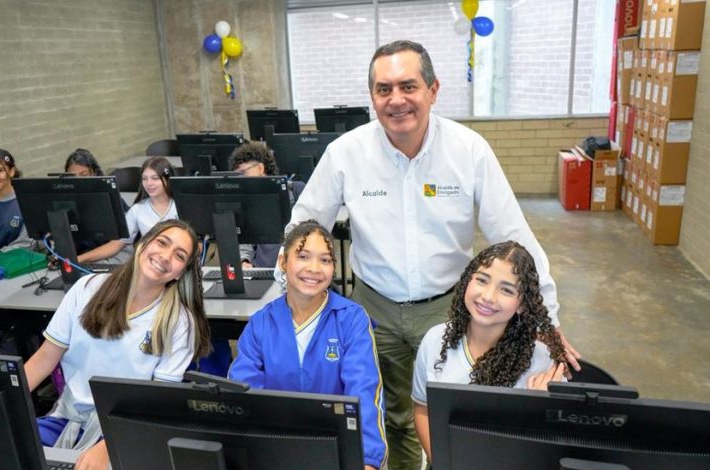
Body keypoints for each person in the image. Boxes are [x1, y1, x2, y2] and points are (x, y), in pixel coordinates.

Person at [285, 39, 580, 469]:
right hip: (375, 309)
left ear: (433, 90)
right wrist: (284, 299)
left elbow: (517, 238)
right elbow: (303, 224)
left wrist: (547, 321)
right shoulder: (346, 153)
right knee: (392, 416)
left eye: (409, 85)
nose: (396, 99)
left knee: (456, 413)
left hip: (450, 307)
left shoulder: (468, 150)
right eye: (384, 89)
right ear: (372, 97)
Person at [24, 219, 211, 469]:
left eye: (179, 255)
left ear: (180, 272)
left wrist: (107, 446)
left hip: (127, 427)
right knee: (9, 448)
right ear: (143, 244)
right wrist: (5, 406)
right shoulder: (87, 289)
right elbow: (44, 359)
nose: (165, 256)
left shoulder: (178, 322)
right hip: (69, 418)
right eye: (162, 243)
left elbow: (157, 402)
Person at [229, 220, 387, 470]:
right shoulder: (261, 323)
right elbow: (245, 398)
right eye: (303, 256)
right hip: (276, 450)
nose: (314, 268)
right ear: (283, 262)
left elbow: (365, 392)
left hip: (339, 451)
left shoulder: (351, 319)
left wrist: (367, 461)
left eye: (325, 260)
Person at [412, 241, 567, 462]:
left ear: (522, 304)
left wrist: (541, 408)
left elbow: (556, 450)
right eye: (482, 280)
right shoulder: (435, 341)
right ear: (467, 281)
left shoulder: (543, 365)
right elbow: (423, 410)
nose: (488, 296)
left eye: (506, 289)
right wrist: (444, 462)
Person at [78, 157, 178, 264]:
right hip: (150, 264)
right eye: (144, 178)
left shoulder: (181, 205)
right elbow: (116, 244)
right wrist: (80, 258)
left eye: (155, 178)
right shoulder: (137, 210)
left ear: (167, 179)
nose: (149, 183)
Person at [228, 141, 305, 269]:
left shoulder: (296, 191)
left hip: (297, 272)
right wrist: (244, 261)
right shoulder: (246, 203)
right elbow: (245, 239)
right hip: (263, 273)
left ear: (260, 168)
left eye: (242, 173)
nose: (239, 179)